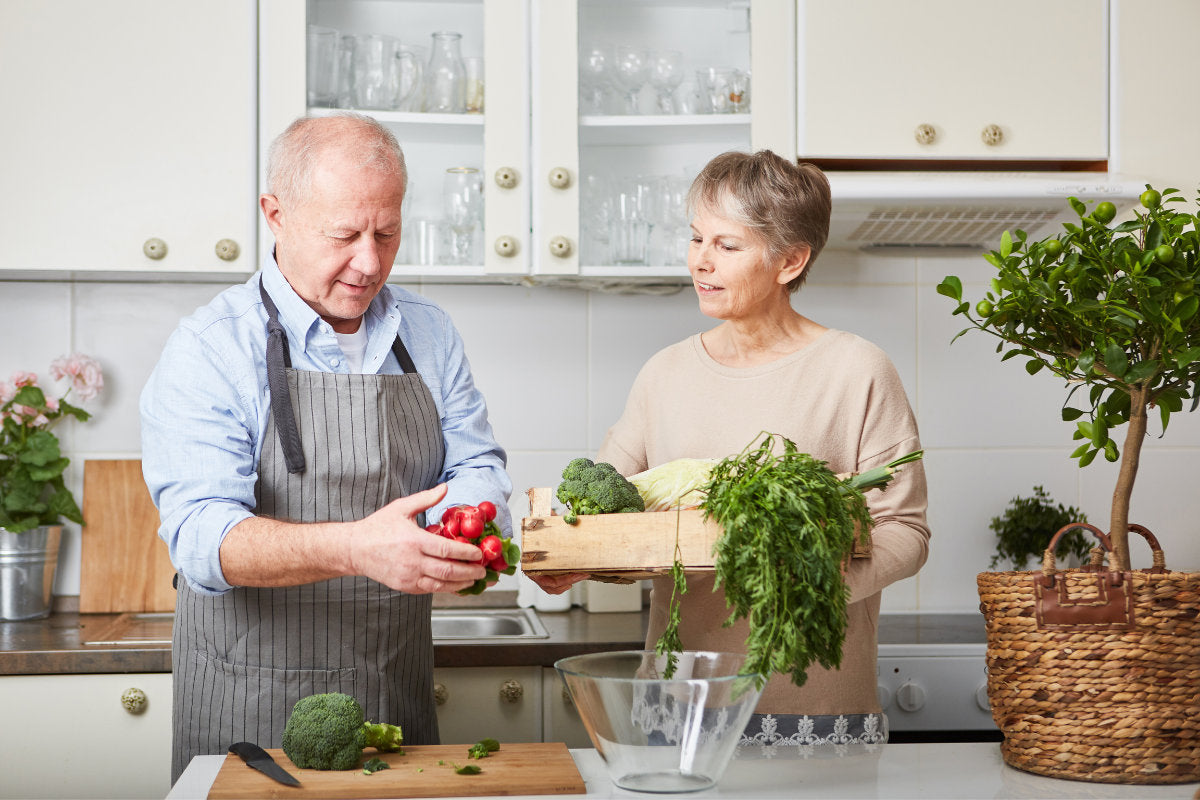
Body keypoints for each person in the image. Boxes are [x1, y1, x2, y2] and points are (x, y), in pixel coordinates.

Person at [140, 112, 511, 780]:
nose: (369, 262)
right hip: (249, 716)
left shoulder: (428, 334)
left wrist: (473, 531)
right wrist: (353, 548)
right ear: (275, 214)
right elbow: (202, 538)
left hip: (394, 704)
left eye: (387, 232)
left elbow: (476, 464)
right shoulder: (209, 348)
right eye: (343, 235)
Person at [536, 150, 929, 750]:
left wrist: (805, 586)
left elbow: (905, 529)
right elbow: (604, 506)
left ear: (790, 261)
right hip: (680, 703)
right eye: (696, 238)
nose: (700, 261)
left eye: (727, 244)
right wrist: (571, 553)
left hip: (816, 704)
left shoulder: (857, 370)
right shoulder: (663, 374)